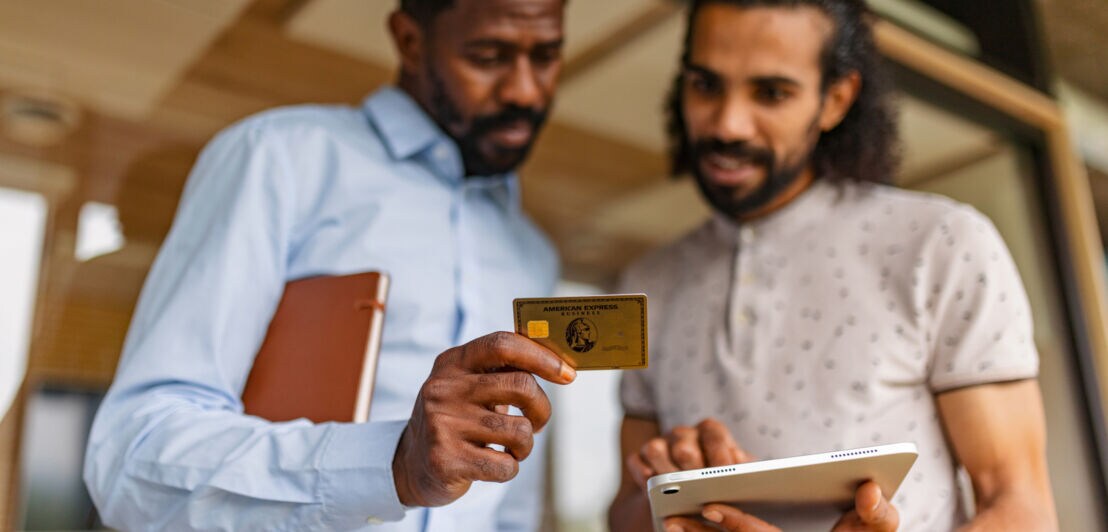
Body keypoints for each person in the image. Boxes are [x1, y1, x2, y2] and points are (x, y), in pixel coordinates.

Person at [84, 0, 575, 530]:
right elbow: (131, 456)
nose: (525, 90)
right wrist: (393, 464)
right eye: (487, 55)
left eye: (546, 56)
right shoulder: (280, 158)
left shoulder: (533, 253)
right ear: (409, 41)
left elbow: (510, 507)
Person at [608, 1, 1057, 531]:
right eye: (705, 85)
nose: (727, 124)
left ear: (835, 100)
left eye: (771, 93)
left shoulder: (944, 245)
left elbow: (1021, 506)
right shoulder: (647, 284)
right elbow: (625, 513)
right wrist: (667, 498)